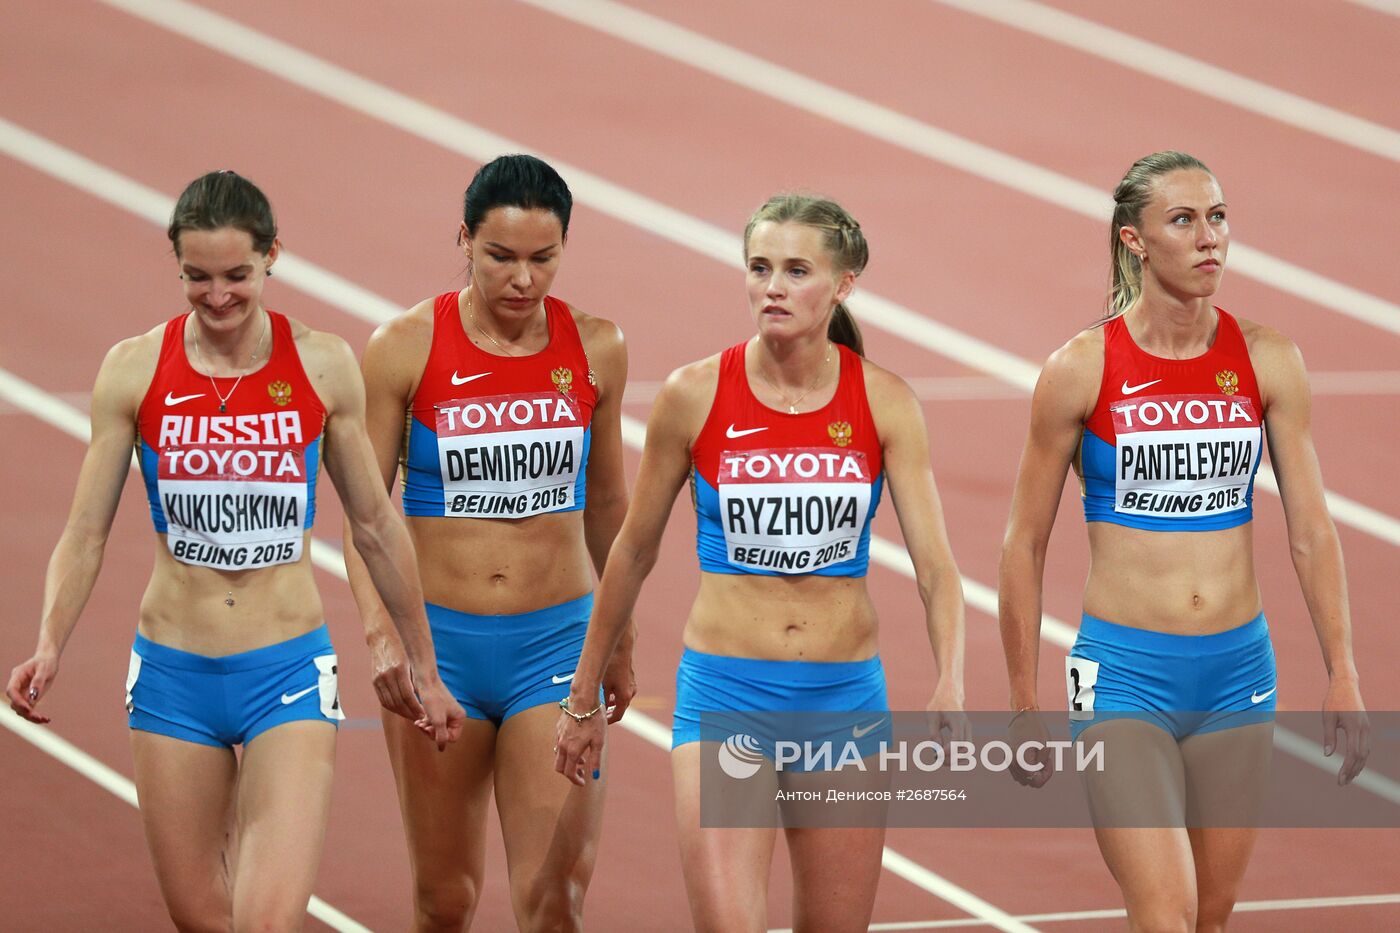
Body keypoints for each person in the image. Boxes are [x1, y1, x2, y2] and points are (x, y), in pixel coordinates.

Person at [5, 170, 463, 931]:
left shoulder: (321, 365)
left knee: (266, 923)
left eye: (237, 277)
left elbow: (378, 525)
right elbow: (86, 529)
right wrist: (50, 642)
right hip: (172, 675)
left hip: (285, 668)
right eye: (198, 278)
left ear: (273, 256)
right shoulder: (134, 369)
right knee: (201, 919)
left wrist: (425, 662)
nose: (218, 298)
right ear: (176, 266)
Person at [554, 193, 967, 932]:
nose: (772, 286)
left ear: (842, 284)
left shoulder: (886, 403)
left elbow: (936, 567)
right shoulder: (696, 394)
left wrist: (950, 678)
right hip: (728, 697)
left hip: (843, 704)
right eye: (760, 267)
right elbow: (633, 550)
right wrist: (584, 691)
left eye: (796, 269)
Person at [999, 150, 1370, 931]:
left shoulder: (1267, 358)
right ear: (1134, 240)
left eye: (1219, 217)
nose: (1210, 239)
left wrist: (1342, 669)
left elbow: (1311, 528)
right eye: (1184, 220)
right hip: (1126, 675)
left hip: (1239, 673)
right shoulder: (1080, 370)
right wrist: (1024, 699)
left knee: (1211, 911)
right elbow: (1023, 543)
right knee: (1164, 912)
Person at [343, 154, 634, 932]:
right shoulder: (403, 347)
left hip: (558, 645)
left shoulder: (597, 348)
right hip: (438, 648)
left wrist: (621, 636)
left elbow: (609, 503)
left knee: (553, 899)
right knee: (446, 899)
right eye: (500, 257)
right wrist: (384, 638)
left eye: (544, 259)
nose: (523, 280)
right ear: (463, 239)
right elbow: (366, 518)